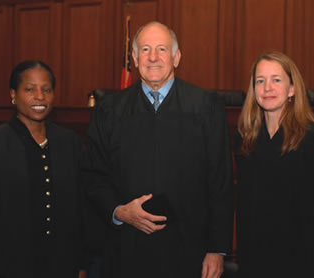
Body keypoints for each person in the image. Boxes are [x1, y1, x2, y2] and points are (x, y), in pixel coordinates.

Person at [84, 21, 234, 278]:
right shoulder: (108, 110)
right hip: (125, 250)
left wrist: (217, 249)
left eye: (162, 49)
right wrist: (119, 211)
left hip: (189, 252)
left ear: (176, 58)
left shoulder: (206, 107)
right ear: (133, 57)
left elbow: (220, 181)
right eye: (145, 50)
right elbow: (94, 175)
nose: (153, 57)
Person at [235, 51, 314, 278]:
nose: (267, 88)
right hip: (256, 266)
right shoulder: (245, 143)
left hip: (307, 267)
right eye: (260, 81)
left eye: (276, 80)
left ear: (292, 89)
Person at [0, 60, 85, 278]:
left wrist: (81, 264)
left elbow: (80, 210)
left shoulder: (70, 143)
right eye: (30, 89)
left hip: (60, 266)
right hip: (4, 267)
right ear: (13, 95)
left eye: (46, 89)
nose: (39, 96)